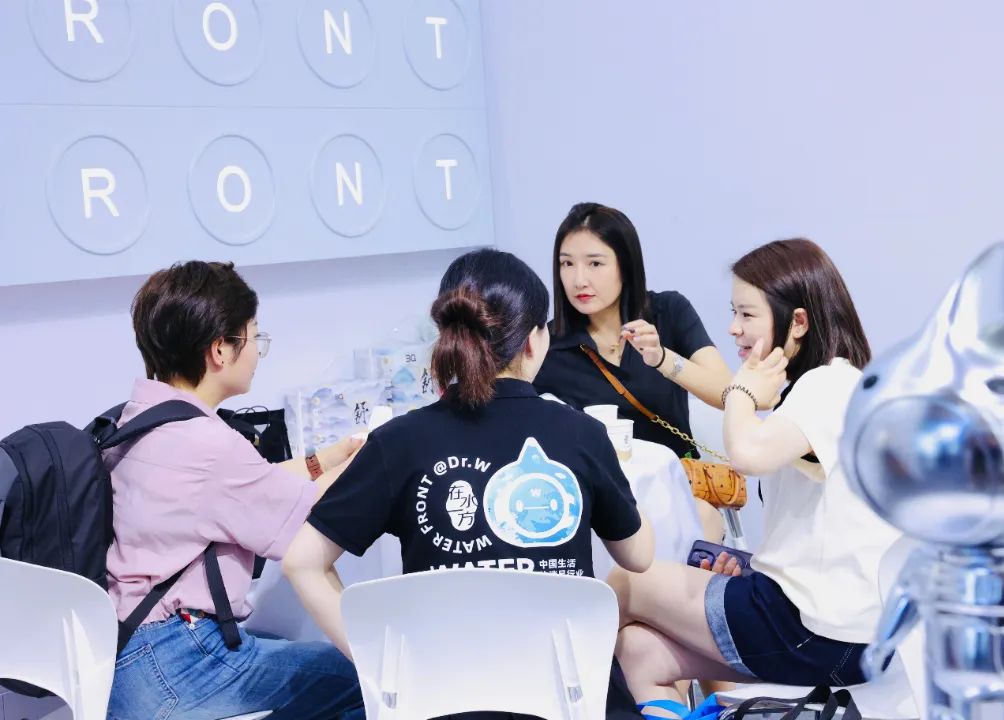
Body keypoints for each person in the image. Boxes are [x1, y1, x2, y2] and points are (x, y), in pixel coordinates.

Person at [284, 248, 655, 719]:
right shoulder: (581, 434)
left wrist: (385, 670)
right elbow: (638, 556)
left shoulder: (399, 442)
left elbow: (302, 563)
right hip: (569, 704)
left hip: (439, 705)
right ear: (533, 340)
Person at [607, 239, 902, 715]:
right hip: (835, 635)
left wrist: (743, 388)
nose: (733, 328)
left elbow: (746, 454)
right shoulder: (832, 385)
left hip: (813, 629)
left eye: (746, 314)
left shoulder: (828, 385)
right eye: (734, 313)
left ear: (798, 322)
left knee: (625, 582)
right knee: (640, 651)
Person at [105, 261, 365, 720]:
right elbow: (305, 515)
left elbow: (252, 485)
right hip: (179, 665)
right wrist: (373, 456)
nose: (258, 351)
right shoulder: (207, 444)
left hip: (124, 656)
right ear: (221, 349)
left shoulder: (139, 418)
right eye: (255, 337)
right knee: (365, 677)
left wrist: (326, 459)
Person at [532, 202, 734, 460]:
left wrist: (662, 358)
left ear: (625, 266)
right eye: (567, 263)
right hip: (600, 484)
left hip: (677, 479)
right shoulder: (546, 344)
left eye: (595, 264)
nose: (578, 280)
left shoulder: (668, 311)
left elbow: (728, 395)